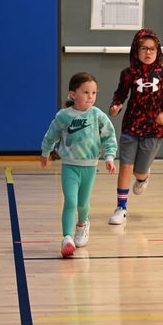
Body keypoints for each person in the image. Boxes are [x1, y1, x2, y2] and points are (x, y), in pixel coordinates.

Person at [41, 72, 117, 258]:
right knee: (71, 201)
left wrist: (109, 157)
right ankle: (67, 237)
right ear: (72, 94)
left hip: (90, 166)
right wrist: (45, 152)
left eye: (94, 93)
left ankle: (82, 224)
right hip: (69, 166)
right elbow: (52, 134)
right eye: (86, 92)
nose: (90, 97)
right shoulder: (64, 116)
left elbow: (109, 137)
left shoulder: (98, 116)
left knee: (83, 204)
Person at [107, 29, 163, 225]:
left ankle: (143, 177)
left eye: (152, 49)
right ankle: (121, 208)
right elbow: (120, 94)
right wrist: (115, 106)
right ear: (135, 50)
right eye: (144, 48)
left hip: (154, 129)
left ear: (157, 51)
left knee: (138, 171)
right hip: (131, 125)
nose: (148, 52)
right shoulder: (128, 73)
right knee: (125, 167)